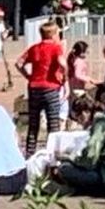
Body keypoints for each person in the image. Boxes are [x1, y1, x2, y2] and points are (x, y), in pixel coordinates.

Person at [50, 91, 105, 197]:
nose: (79, 122)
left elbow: (89, 159)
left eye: (77, 118)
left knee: (64, 169)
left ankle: (91, 189)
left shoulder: (99, 127)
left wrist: (68, 158)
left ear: (85, 113)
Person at [15, 20, 67, 157]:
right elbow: (62, 63)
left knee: (33, 124)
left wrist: (28, 76)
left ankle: (29, 153)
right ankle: (52, 155)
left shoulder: (34, 48)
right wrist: (64, 78)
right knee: (53, 123)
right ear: (54, 34)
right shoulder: (56, 48)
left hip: (34, 87)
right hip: (51, 87)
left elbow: (19, 63)